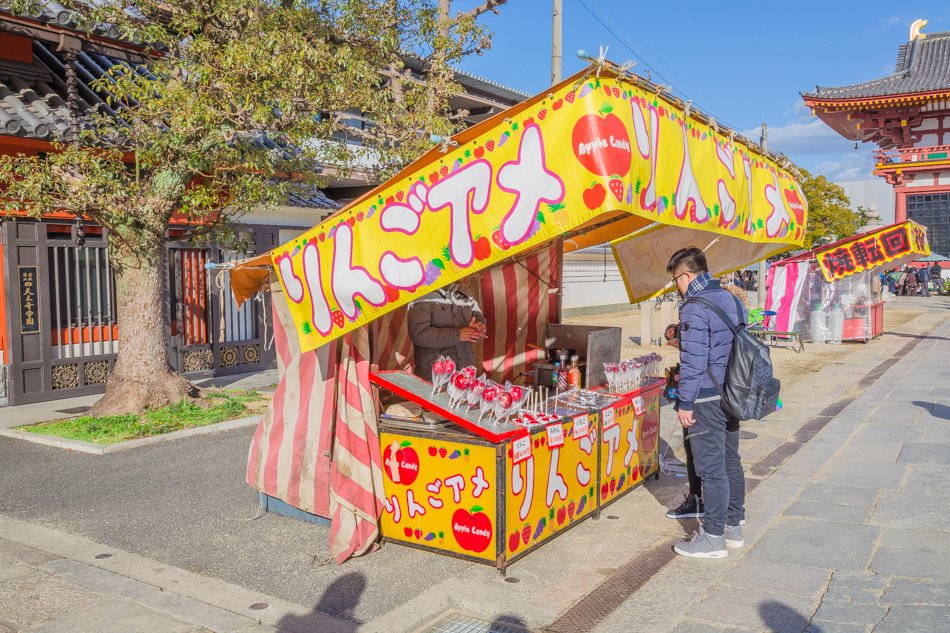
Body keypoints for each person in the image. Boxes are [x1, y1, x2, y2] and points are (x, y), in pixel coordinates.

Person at [667, 247, 745, 559]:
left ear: (686, 275)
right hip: (734, 391)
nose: (677, 287)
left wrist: (686, 402)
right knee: (730, 461)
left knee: (711, 469)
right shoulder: (730, 298)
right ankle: (732, 527)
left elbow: (694, 361)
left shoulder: (695, 306)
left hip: (706, 396)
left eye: (676, 281)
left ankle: (712, 537)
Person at [407, 279, 486, 382]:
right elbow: (419, 334)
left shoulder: (466, 293)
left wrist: (477, 329)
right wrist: (458, 335)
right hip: (435, 376)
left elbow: (479, 319)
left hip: (464, 374)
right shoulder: (422, 294)